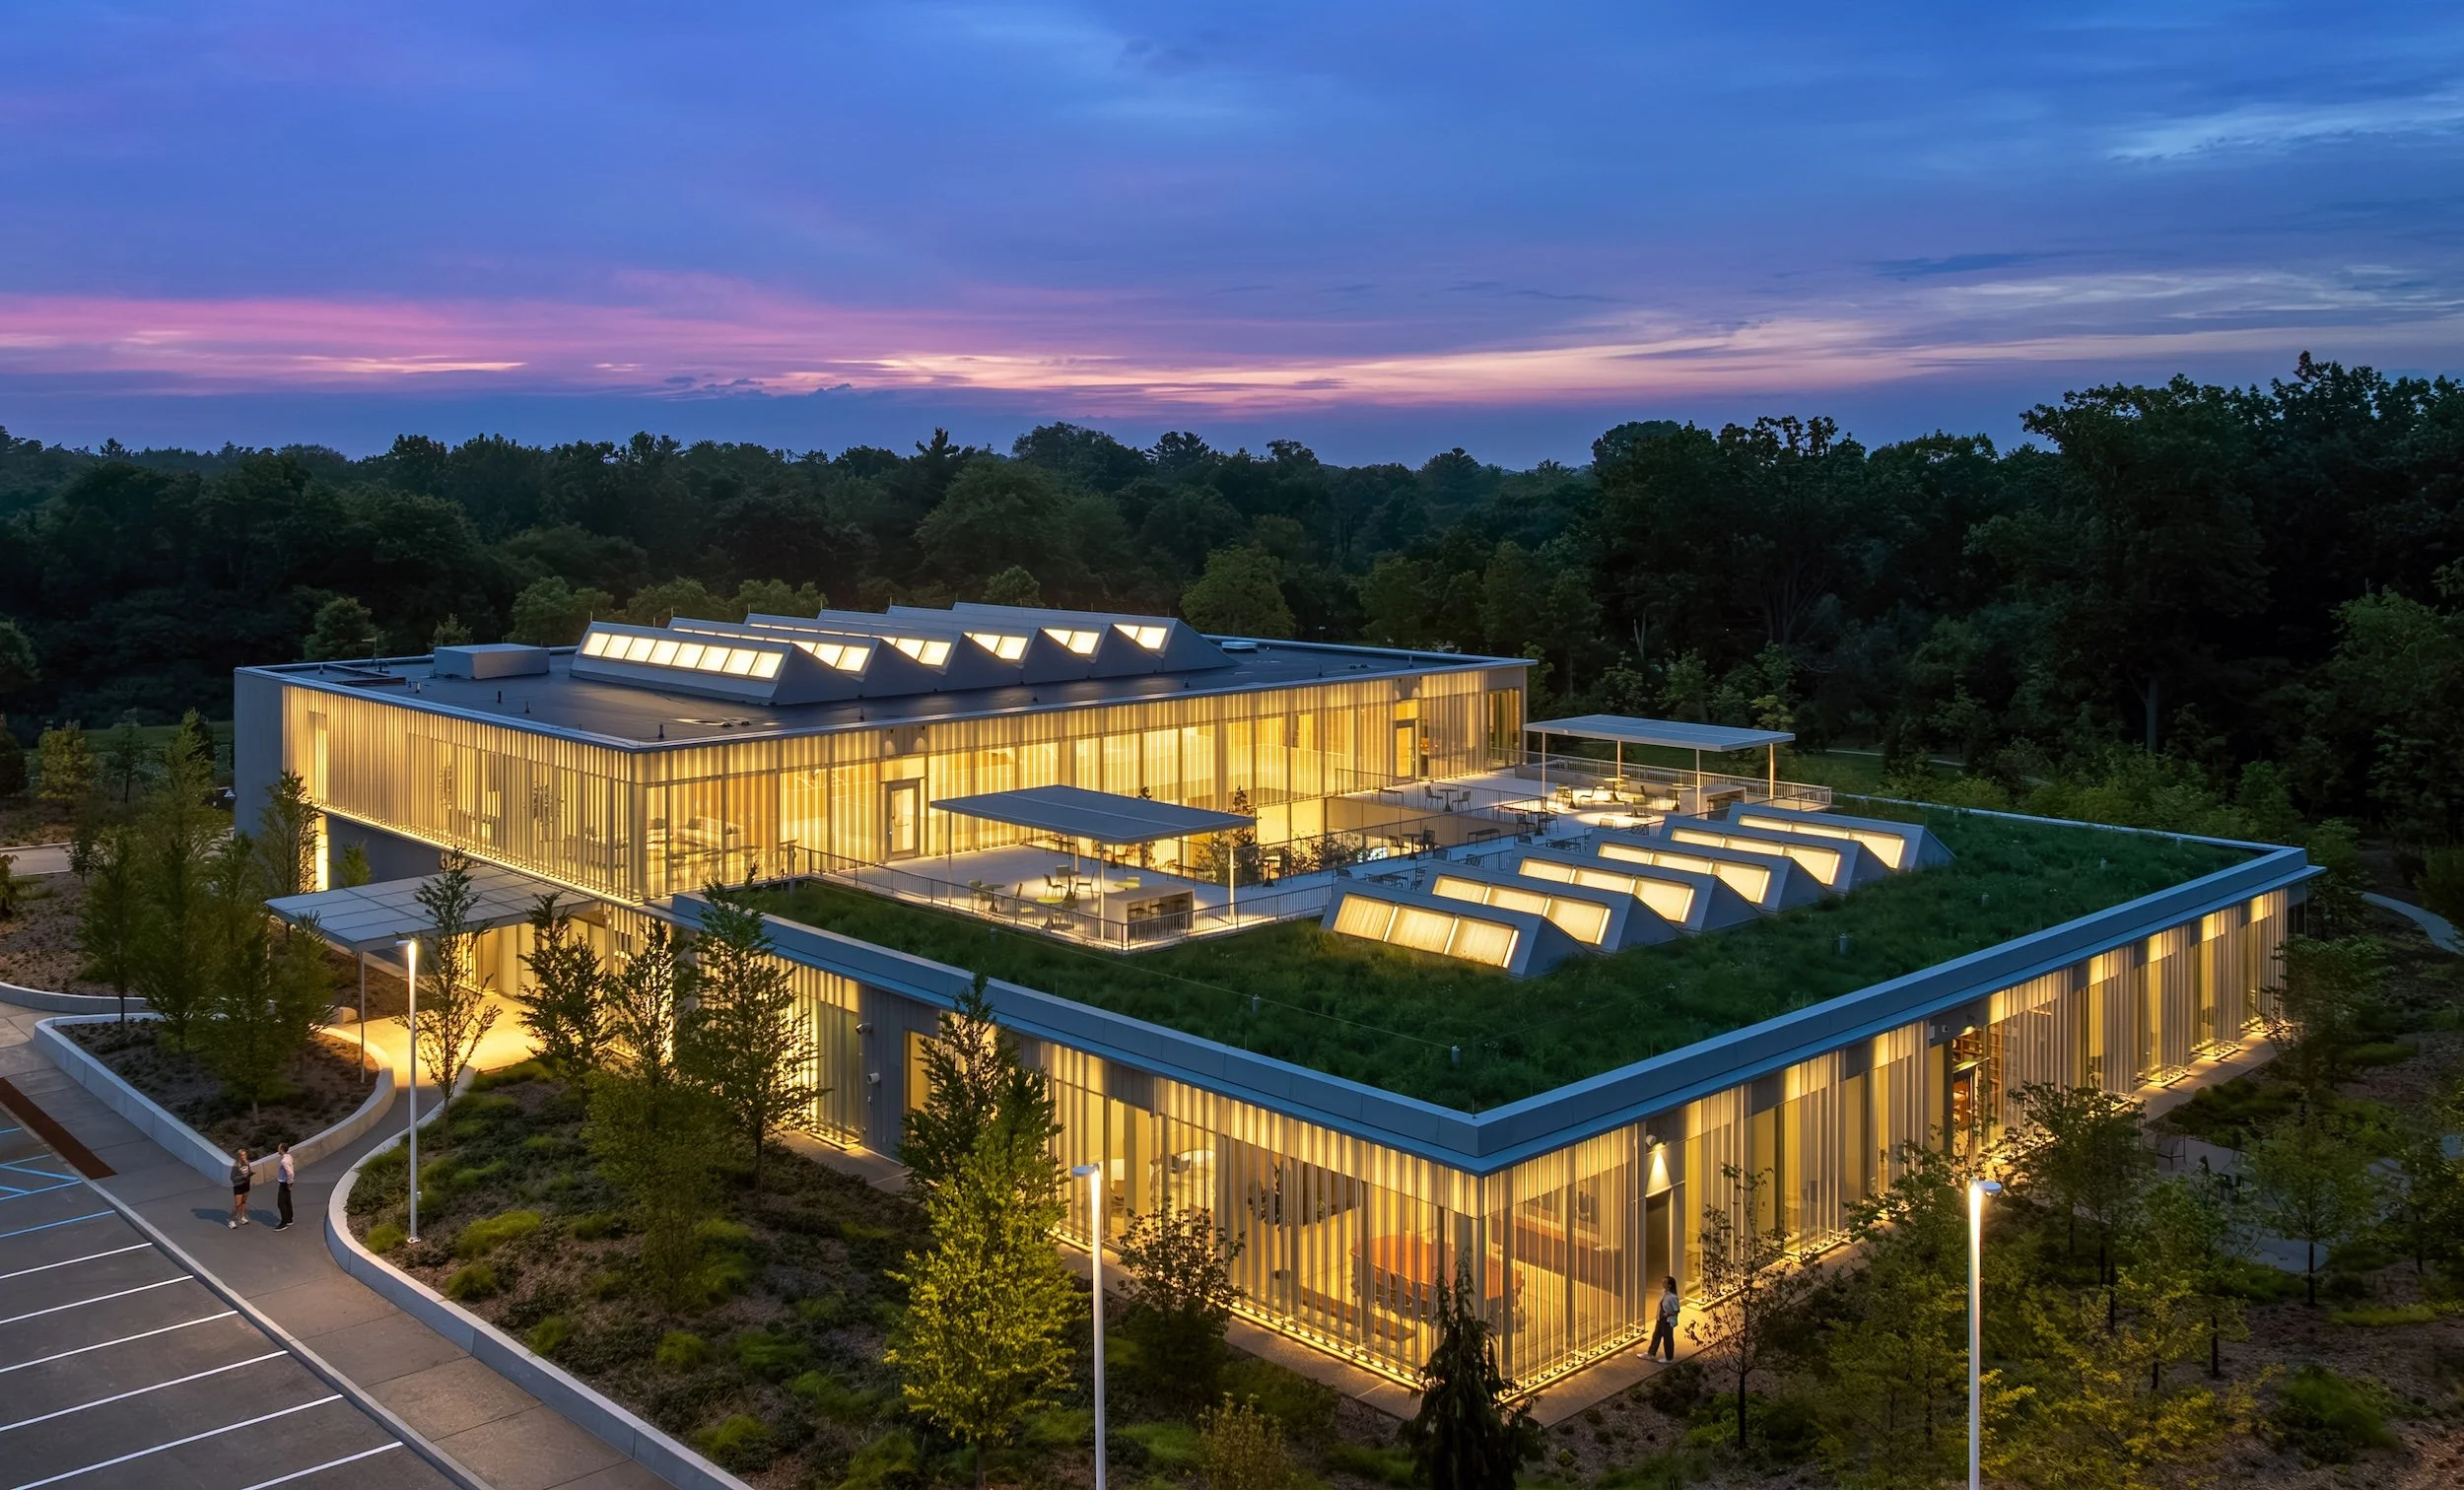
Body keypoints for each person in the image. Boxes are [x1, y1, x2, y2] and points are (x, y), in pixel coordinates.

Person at [1646, 1274, 1679, 1361]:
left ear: (1669, 1285)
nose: (1662, 1283)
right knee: (1656, 1336)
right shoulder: (1663, 1292)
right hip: (1660, 1318)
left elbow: (1676, 1310)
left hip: (1667, 1320)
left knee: (1667, 1338)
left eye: (1664, 1282)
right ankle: (1651, 1353)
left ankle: (1669, 1357)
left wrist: (1667, 1314)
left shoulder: (1673, 1297)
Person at [273, 1142, 296, 1231]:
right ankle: (289, 1219)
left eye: (279, 1148)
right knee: (287, 1201)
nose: (277, 1149)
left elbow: (290, 1173)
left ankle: (284, 1223)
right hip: (287, 1182)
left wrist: (289, 1183)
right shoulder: (288, 1157)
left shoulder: (284, 1161)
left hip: (284, 1183)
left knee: (281, 1203)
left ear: (282, 1149)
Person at [228, 1148, 252, 1228]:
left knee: (243, 1202)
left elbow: (248, 1172)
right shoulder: (235, 1166)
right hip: (238, 1186)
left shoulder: (247, 1163)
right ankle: (231, 1220)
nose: (244, 1156)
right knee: (238, 1204)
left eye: (245, 1154)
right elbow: (232, 1178)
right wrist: (243, 1177)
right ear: (239, 1156)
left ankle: (242, 1217)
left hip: (246, 1185)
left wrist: (249, 1175)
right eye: (242, 1155)